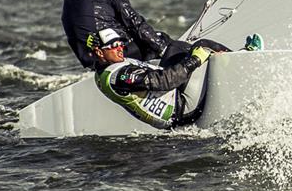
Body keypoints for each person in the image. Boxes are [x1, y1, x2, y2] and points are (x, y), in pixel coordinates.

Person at [90, 28, 225, 129]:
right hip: (181, 109)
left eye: (120, 43)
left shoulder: (105, 65)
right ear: (100, 52)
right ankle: (239, 58)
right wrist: (195, 60)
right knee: (202, 45)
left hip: (172, 96)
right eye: (113, 46)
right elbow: (165, 81)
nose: (120, 48)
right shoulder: (120, 77)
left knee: (174, 47)